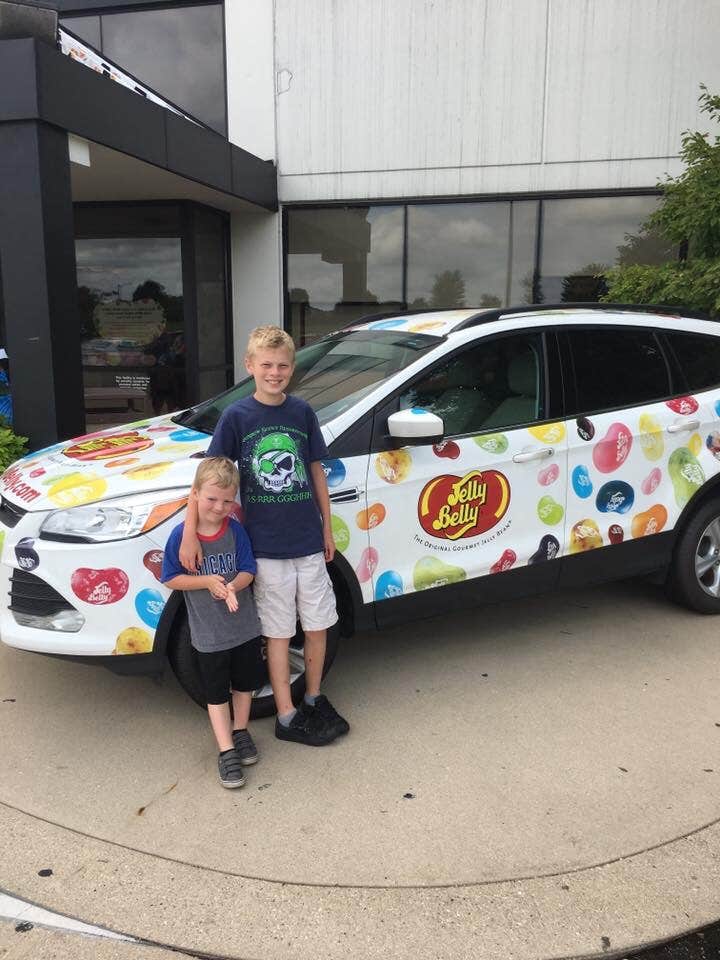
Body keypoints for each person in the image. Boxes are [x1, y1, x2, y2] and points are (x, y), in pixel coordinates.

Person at [179, 325, 348, 747]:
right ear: (250, 365)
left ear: (292, 369)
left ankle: (313, 696)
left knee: (318, 624)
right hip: (266, 548)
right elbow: (207, 478)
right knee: (277, 630)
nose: (275, 373)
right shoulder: (237, 417)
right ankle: (286, 714)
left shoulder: (302, 412)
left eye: (283, 366)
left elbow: (315, 471)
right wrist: (190, 533)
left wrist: (327, 526)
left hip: (308, 542)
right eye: (267, 365)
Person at [162, 456, 267, 788]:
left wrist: (233, 585)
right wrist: (208, 582)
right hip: (209, 636)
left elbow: (249, 569)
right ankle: (226, 749)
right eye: (211, 498)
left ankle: (241, 731)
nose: (219, 507)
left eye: (227, 501)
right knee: (216, 693)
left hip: (244, 629)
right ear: (195, 494)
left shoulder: (235, 531)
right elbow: (171, 578)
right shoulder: (181, 537)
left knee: (245, 685)